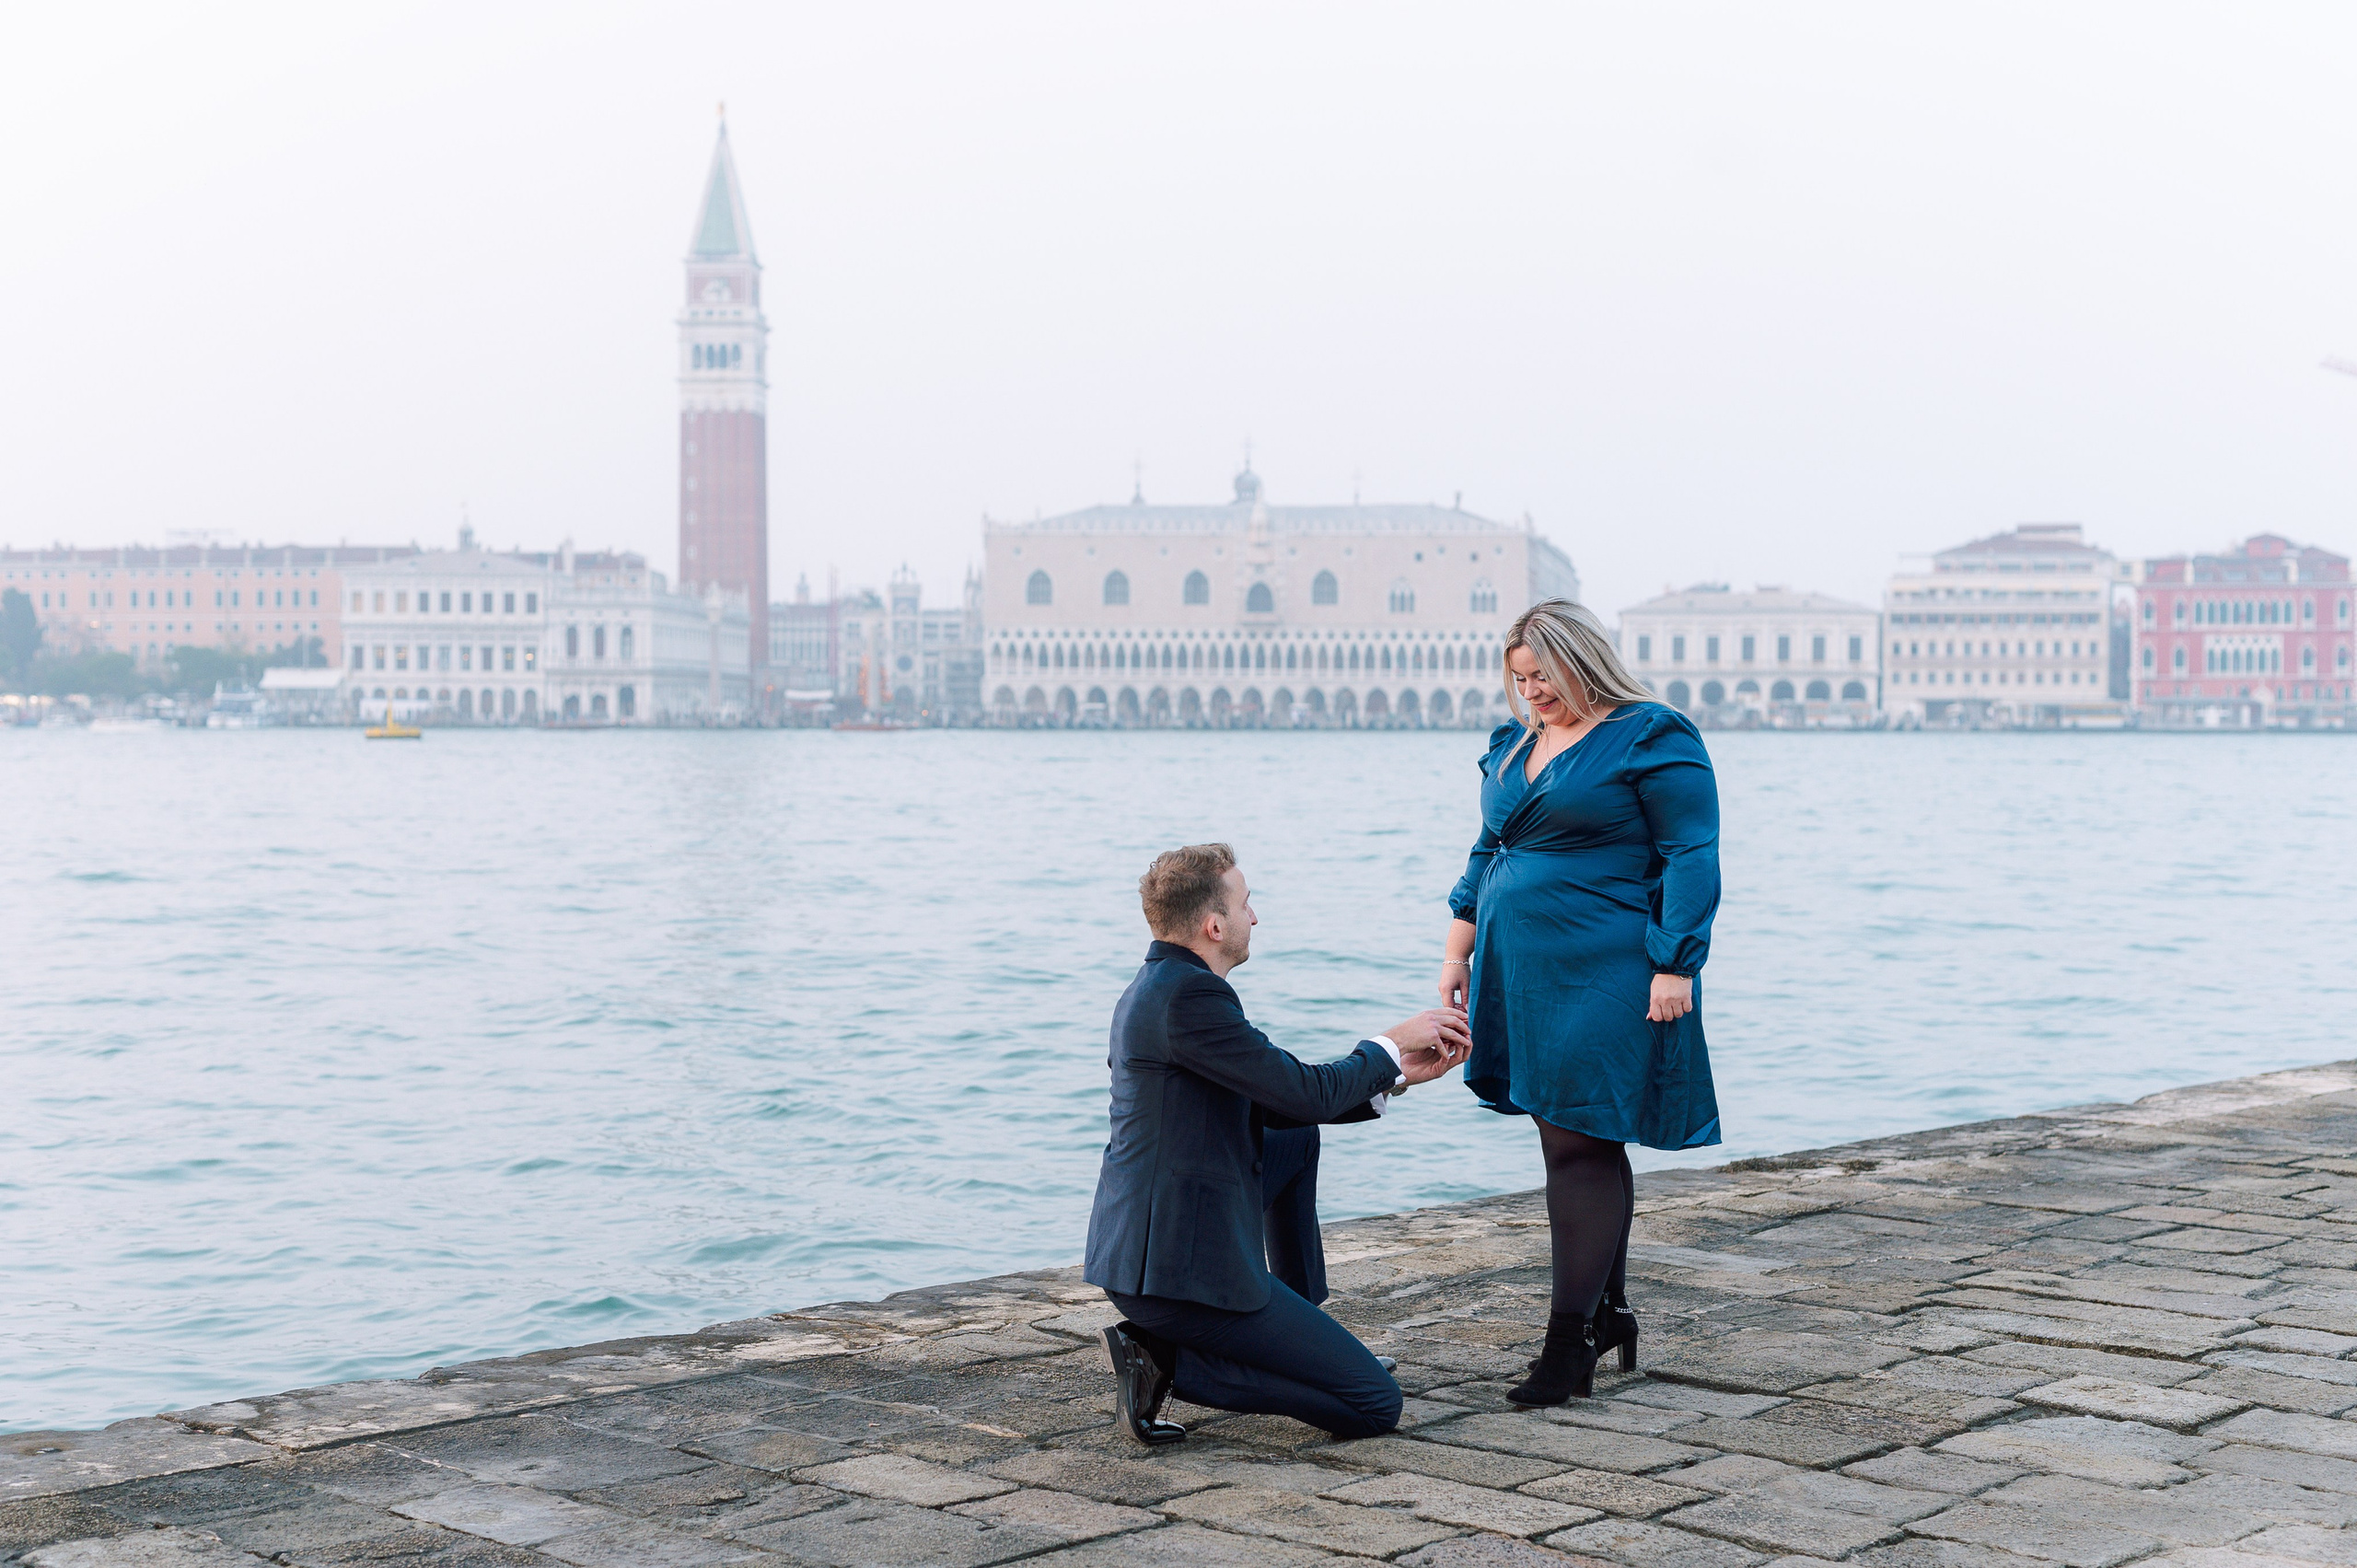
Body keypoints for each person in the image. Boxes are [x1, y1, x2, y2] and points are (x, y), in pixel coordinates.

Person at [1086, 842, 1471, 1445]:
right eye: (1246, 903)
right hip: (1175, 1276)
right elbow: (1303, 1090)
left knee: (1294, 1140)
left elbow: (1283, 1104)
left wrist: (1394, 1077)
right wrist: (1390, 1044)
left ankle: (1302, 1328)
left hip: (1161, 1246)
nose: (1255, 916)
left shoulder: (1164, 985)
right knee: (1374, 1404)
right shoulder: (1190, 998)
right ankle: (1166, 1361)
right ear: (1215, 926)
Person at [1437, 599, 1722, 1406]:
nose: (1532, 692)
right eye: (1519, 678)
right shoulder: (1514, 742)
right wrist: (1456, 952)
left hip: (1611, 964)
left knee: (1578, 1140)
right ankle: (1606, 1312)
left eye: (1544, 675)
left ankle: (1568, 1348)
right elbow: (1487, 848)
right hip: (1520, 969)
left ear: (1583, 661)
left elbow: (1691, 852)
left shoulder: (1651, 735)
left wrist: (1675, 964)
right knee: (1574, 1137)